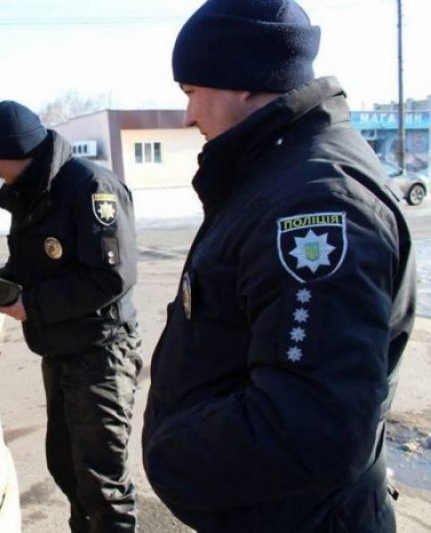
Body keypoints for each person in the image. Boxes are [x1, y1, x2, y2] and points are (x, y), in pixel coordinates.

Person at [141, 1, 416, 531]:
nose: (188, 115)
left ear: (245, 80)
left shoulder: (314, 204)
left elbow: (315, 423)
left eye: (192, 92)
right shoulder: (276, 175)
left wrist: (170, 452)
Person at [0, 100, 143, 532]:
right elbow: (31, 264)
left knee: (101, 482)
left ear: (18, 151)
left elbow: (110, 278)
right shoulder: (31, 193)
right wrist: (1, 286)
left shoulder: (90, 187)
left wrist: (32, 305)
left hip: (101, 352)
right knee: (68, 469)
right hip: (62, 350)